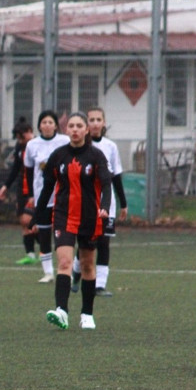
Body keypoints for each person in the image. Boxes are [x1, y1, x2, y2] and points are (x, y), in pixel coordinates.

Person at [35, 112, 112, 330]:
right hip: (63, 216)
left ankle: (87, 314)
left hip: (89, 218)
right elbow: (47, 188)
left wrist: (104, 207)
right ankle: (62, 311)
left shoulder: (96, 156)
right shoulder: (58, 156)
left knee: (87, 265)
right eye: (71, 126)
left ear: (87, 130)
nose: (75, 129)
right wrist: (37, 214)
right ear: (66, 129)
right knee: (65, 263)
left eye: (80, 125)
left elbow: (107, 185)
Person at [71, 107, 128, 297]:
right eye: (92, 120)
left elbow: (116, 175)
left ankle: (99, 285)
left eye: (98, 120)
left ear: (104, 123)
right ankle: (76, 274)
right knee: (87, 242)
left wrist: (123, 202)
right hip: (86, 204)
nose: (95, 123)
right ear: (87, 125)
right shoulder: (79, 147)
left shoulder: (110, 146)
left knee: (104, 242)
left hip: (106, 203)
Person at [23, 110, 69, 283]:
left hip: (62, 195)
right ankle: (48, 272)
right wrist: (30, 195)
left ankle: (65, 269)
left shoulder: (64, 142)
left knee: (62, 234)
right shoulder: (32, 145)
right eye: (44, 122)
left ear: (56, 125)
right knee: (43, 234)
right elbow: (28, 171)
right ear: (39, 125)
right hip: (41, 196)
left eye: (50, 122)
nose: (47, 125)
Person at [0, 117, 38, 265]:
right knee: (23, 220)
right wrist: (5, 186)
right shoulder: (20, 147)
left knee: (30, 221)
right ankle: (31, 255)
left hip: (36, 189)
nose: (20, 140)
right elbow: (15, 169)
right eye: (18, 138)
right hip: (22, 188)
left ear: (30, 132)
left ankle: (44, 248)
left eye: (22, 136)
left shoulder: (38, 145)